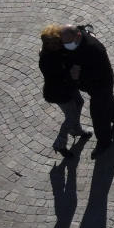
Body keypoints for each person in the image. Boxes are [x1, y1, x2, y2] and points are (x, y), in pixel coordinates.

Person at [59, 25, 114, 159]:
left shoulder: (94, 48)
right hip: (94, 85)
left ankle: (104, 142)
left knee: (98, 115)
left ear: (78, 36)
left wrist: (77, 76)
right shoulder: (76, 39)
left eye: (68, 42)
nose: (66, 45)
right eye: (64, 42)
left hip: (101, 84)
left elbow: (98, 73)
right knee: (108, 102)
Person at [39, 24, 91, 158]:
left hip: (68, 88)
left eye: (56, 42)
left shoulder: (59, 49)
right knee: (70, 117)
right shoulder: (47, 59)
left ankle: (77, 130)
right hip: (59, 92)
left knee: (79, 102)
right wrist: (72, 73)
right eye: (50, 43)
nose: (54, 45)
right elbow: (57, 76)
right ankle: (60, 144)